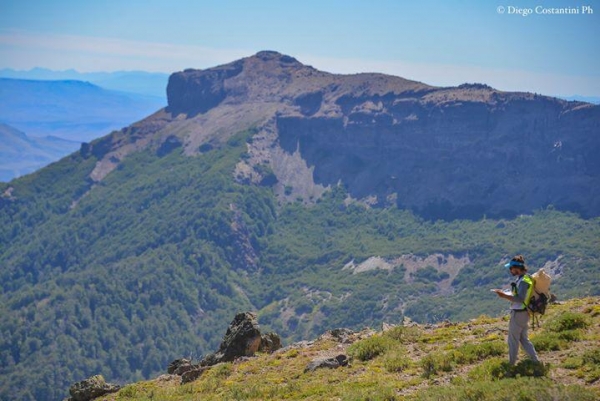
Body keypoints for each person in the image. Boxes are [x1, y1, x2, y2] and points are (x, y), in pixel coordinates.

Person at [492, 255, 540, 365]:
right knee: (523, 339)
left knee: (512, 340)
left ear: (517, 268)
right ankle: (535, 361)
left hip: (519, 314)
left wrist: (503, 296)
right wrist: (504, 293)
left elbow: (520, 298)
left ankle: (511, 364)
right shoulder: (523, 279)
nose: (510, 270)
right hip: (524, 313)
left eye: (511, 268)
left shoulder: (523, 281)